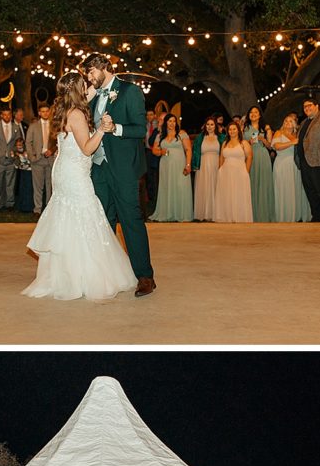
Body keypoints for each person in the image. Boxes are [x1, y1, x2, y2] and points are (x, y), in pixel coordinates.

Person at [22, 70, 136, 301]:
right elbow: (87, 148)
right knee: (85, 215)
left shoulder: (64, 110)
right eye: (83, 84)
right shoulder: (76, 115)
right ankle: (82, 277)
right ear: (76, 90)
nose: (87, 86)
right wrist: (102, 130)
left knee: (68, 218)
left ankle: (66, 273)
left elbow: (93, 90)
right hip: (74, 173)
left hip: (64, 170)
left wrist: (104, 75)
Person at [83, 52, 156, 297]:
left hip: (124, 168)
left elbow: (140, 129)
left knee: (130, 220)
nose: (89, 77)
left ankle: (145, 276)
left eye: (91, 71)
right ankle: (105, 275)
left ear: (103, 66)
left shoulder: (129, 91)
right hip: (99, 168)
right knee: (102, 221)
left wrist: (115, 128)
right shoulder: (93, 95)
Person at [148, 113, 193, 222]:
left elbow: (188, 150)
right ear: (166, 123)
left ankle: (181, 214)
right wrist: (161, 152)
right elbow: (154, 150)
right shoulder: (160, 135)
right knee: (166, 187)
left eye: (174, 121)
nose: (172, 123)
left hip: (180, 165)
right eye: (170, 121)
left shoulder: (182, 134)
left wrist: (188, 164)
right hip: (165, 165)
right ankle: (167, 213)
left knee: (180, 187)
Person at [271, 116, 310, 222]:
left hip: (294, 166)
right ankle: (283, 216)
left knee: (294, 189)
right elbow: (277, 146)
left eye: (290, 121)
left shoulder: (297, 135)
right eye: (286, 121)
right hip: (282, 165)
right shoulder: (279, 133)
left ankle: (295, 215)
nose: (287, 122)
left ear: (294, 124)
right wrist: (292, 142)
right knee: (283, 190)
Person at [214, 121, 253, 222]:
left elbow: (249, 157)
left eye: (234, 129)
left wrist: (246, 172)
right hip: (225, 173)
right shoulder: (225, 143)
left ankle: (239, 218)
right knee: (227, 195)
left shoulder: (243, 143)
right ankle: (227, 217)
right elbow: (221, 157)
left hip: (240, 172)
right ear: (228, 131)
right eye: (230, 129)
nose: (232, 131)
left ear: (238, 130)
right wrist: (220, 170)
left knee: (239, 195)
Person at [242, 106, 275, 221]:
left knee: (263, 184)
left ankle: (264, 214)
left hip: (262, 156)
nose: (253, 114)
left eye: (256, 112)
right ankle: (251, 214)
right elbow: (240, 143)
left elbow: (270, 147)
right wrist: (248, 142)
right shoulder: (244, 128)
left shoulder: (266, 128)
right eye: (251, 112)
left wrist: (262, 139)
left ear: (260, 115)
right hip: (249, 156)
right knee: (251, 182)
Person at [0, 107, 23, 210]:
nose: (7, 116)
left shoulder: (15, 127)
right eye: (5, 114)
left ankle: (9, 204)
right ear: (1, 115)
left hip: (11, 160)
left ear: (11, 115)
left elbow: (19, 142)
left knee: (10, 183)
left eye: (8, 114)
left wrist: (15, 151)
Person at [25, 103, 56, 216]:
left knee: (50, 185)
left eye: (47, 111)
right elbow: (28, 142)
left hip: (50, 158)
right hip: (37, 159)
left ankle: (48, 209)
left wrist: (52, 150)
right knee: (38, 186)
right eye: (43, 111)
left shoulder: (54, 125)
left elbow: (58, 141)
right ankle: (37, 209)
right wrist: (32, 156)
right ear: (39, 113)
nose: (45, 113)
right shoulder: (33, 126)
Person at [191, 116, 220, 221]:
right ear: (205, 126)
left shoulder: (221, 137)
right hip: (203, 166)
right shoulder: (200, 138)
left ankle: (215, 213)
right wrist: (194, 165)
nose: (209, 127)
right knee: (204, 188)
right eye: (208, 124)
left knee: (216, 187)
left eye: (212, 124)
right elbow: (195, 152)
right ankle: (203, 213)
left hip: (217, 165)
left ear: (215, 126)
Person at [13, 137, 34, 213]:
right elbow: (16, 162)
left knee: (28, 188)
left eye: (20, 145)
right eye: (17, 145)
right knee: (21, 188)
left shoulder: (27, 151)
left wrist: (20, 155)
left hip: (28, 171)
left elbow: (26, 160)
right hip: (21, 171)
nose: (18, 147)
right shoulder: (16, 152)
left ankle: (28, 206)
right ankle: (20, 206)